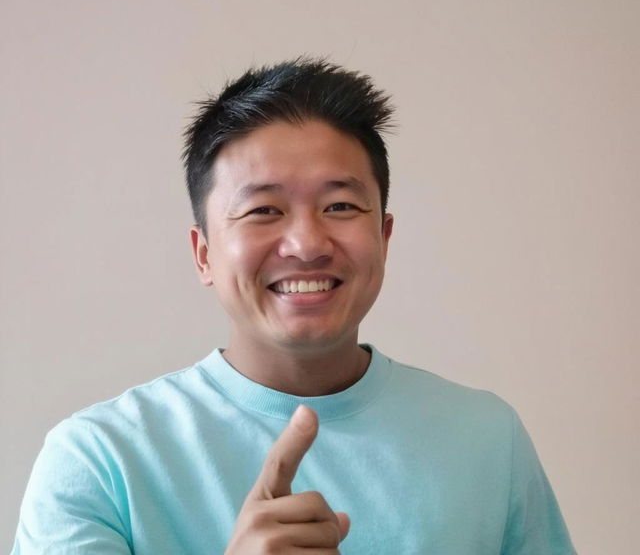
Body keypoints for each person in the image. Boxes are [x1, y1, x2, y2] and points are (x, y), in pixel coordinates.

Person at [12, 58, 577, 554]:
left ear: (384, 237)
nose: (307, 244)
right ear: (204, 254)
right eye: (263, 211)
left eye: (339, 205)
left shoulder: (486, 438)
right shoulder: (99, 460)